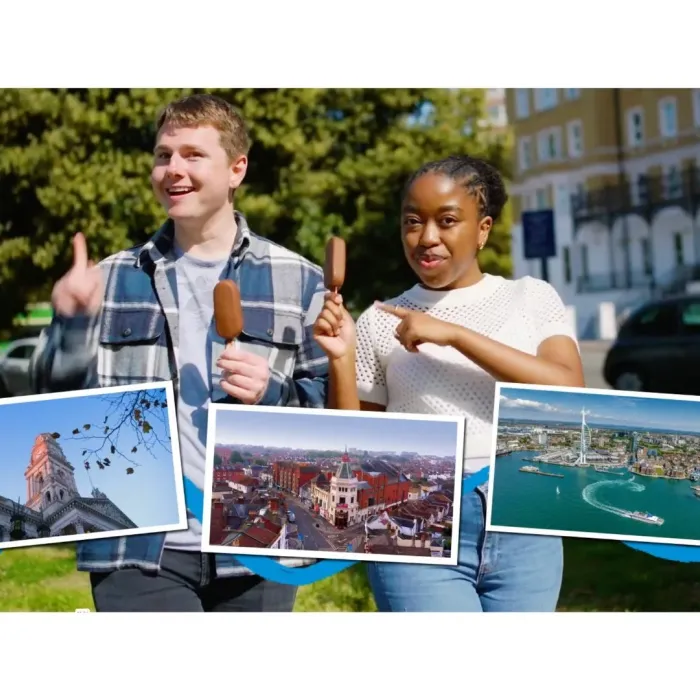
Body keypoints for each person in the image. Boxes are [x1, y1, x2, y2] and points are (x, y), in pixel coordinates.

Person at [30, 94, 329, 612]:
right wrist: (71, 324)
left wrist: (273, 391)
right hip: (138, 542)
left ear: (237, 169)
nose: (173, 169)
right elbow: (50, 399)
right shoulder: (110, 278)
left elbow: (332, 410)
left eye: (193, 155)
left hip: (257, 542)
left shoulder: (299, 279)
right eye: (163, 155)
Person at [313, 154, 585, 612]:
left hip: (525, 513)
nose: (427, 237)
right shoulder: (379, 321)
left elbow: (566, 391)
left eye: (448, 220)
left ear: (483, 228)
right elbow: (353, 445)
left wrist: (456, 335)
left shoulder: (531, 297)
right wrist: (341, 358)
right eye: (413, 222)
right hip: (413, 517)